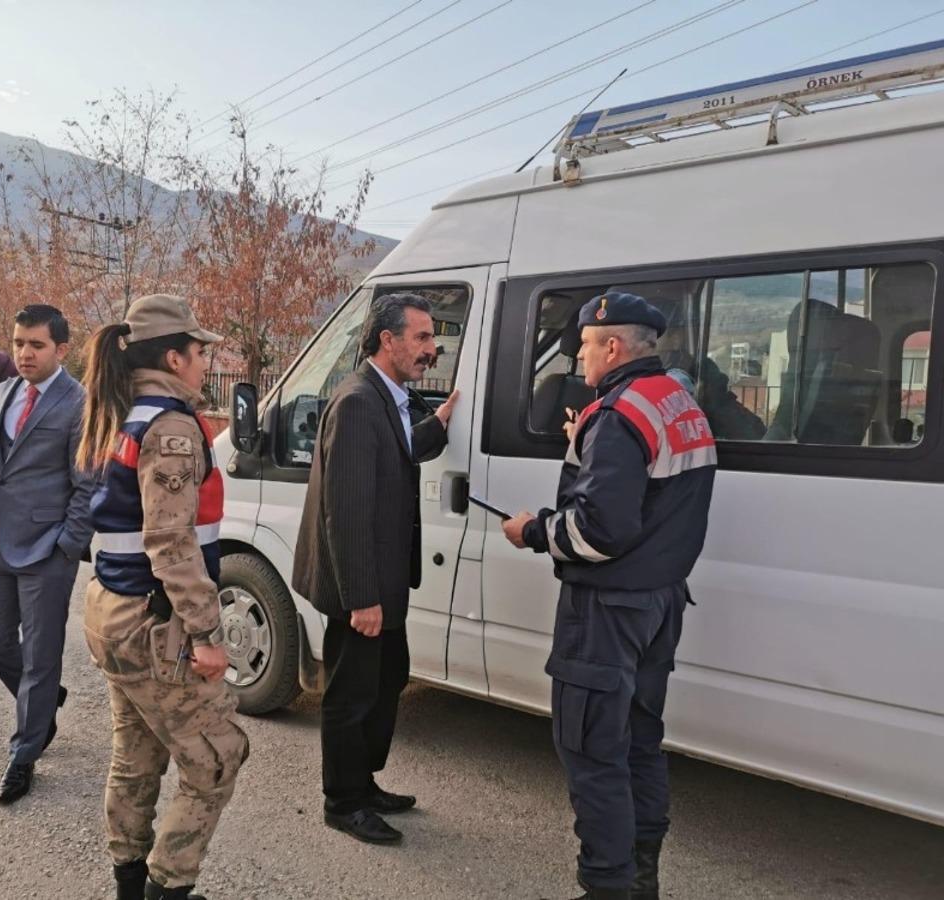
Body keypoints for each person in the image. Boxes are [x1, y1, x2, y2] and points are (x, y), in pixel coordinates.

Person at [500, 292, 717, 900]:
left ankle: (608, 887)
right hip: (660, 603)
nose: (582, 359)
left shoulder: (619, 416)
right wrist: (588, 439)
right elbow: (649, 497)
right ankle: (641, 877)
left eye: (587, 347)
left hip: (608, 611)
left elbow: (599, 528)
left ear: (613, 346)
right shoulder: (677, 403)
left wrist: (533, 531)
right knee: (639, 742)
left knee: (593, 751)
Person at [77, 294, 248, 900]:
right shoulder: (172, 428)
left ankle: (130, 885)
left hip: (113, 611)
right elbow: (172, 543)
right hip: (155, 623)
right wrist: (208, 635)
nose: (207, 362)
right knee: (217, 759)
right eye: (201, 352)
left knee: (137, 755)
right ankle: (167, 887)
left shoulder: (121, 413)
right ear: (175, 358)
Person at [292, 292, 459, 846]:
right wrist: (363, 597)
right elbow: (348, 509)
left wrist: (438, 422)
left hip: (382, 582)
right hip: (359, 586)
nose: (431, 349)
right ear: (387, 341)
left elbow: (400, 450)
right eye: (422, 338)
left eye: (432, 338)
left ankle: (362, 783)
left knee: (385, 681)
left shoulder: (389, 397)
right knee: (351, 694)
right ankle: (342, 802)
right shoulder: (359, 401)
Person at [0, 304, 95, 805]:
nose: (24, 353)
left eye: (35, 345)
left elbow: (88, 485)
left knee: (41, 656)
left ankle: (25, 752)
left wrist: (66, 547)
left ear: (61, 349)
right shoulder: (0, 393)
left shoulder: (79, 402)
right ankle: (43, 704)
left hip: (46, 550)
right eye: (18, 343)